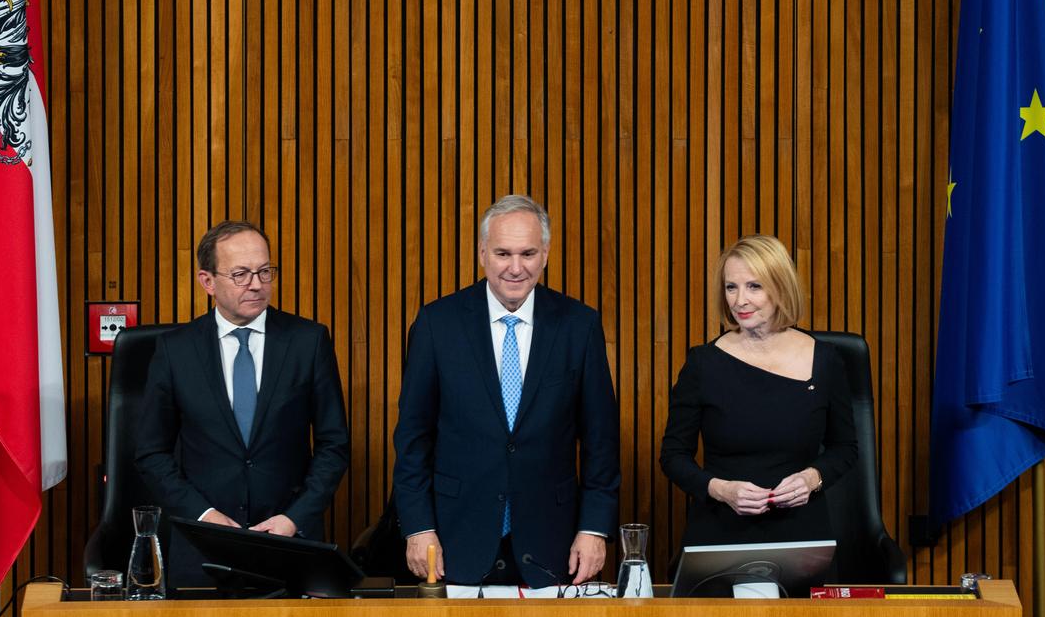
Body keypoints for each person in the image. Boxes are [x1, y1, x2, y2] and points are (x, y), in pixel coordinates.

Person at [392, 195, 620, 588]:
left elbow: (602, 442)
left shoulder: (579, 326)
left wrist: (594, 529)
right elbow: (413, 437)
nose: (516, 268)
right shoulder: (437, 324)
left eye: (528, 253)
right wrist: (418, 527)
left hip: (554, 541)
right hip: (453, 539)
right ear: (482, 253)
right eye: (503, 253)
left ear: (545, 253)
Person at [135, 220, 350, 586]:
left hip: (290, 544)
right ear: (207, 282)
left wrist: (294, 518)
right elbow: (151, 453)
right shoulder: (176, 351)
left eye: (265, 271)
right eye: (241, 274)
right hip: (203, 548)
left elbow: (334, 445)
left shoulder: (308, 342)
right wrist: (204, 516)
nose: (256, 284)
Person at [659, 235, 857, 555]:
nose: (740, 301)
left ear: (779, 287)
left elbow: (845, 448)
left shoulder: (826, 360)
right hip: (720, 531)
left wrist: (812, 478)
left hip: (802, 536)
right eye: (731, 287)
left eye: (754, 286)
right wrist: (720, 490)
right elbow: (673, 456)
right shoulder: (702, 363)